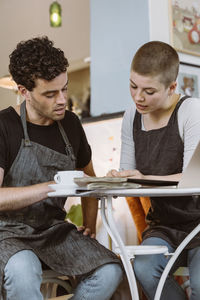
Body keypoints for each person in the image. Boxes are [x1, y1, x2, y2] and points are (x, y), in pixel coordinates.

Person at [0, 36, 123, 300]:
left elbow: (88, 178)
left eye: (64, 89)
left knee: (109, 270)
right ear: (23, 91)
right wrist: (49, 188)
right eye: (50, 93)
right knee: (23, 270)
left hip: (53, 230)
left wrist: (89, 226)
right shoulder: (3, 126)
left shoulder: (71, 124)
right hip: (6, 232)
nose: (62, 100)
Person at [108, 41, 200, 300]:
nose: (138, 97)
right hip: (163, 224)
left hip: (199, 223)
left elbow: (194, 178)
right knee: (144, 268)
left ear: (172, 87)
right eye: (133, 86)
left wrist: (141, 178)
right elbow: (128, 173)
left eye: (149, 91)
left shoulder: (191, 111)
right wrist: (116, 179)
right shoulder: (132, 117)